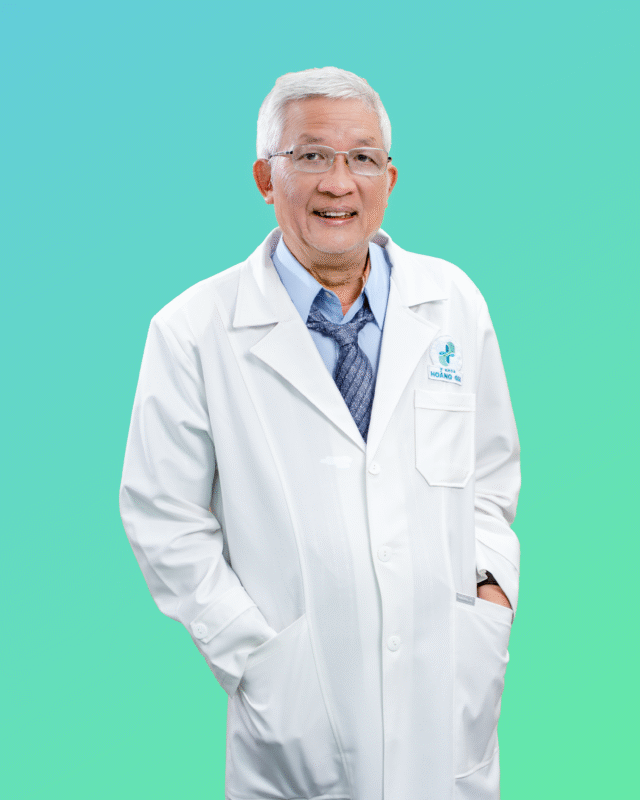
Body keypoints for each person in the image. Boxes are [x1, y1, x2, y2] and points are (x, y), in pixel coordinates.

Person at [119, 66, 520, 800]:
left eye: (362, 158)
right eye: (310, 156)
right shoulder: (193, 330)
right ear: (264, 178)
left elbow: (490, 475)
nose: (339, 183)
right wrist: (255, 658)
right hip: (293, 721)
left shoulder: (453, 301)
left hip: (445, 699)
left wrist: (488, 595)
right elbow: (161, 516)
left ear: (389, 179)